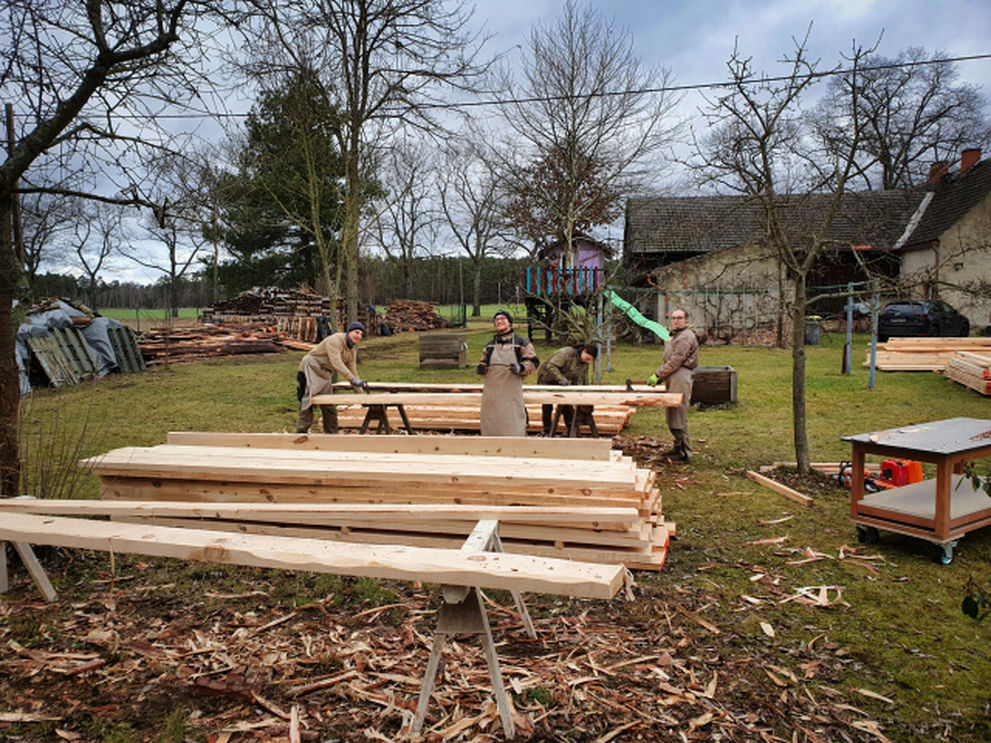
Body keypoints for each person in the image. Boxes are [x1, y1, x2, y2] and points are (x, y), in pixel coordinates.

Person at [295, 321, 366, 434]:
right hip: (311, 367)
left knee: (329, 404)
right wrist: (352, 379)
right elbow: (336, 362)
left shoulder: (352, 351)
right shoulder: (335, 340)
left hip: (324, 372)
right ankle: (300, 433)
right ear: (349, 332)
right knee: (308, 401)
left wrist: (361, 396)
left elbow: (353, 371)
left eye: (361, 334)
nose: (358, 336)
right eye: (356, 332)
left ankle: (332, 435)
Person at [476, 310, 539, 436]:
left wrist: (520, 368)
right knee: (490, 422)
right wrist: (481, 368)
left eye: (502, 318)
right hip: (492, 393)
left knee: (513, 422)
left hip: (511, 392)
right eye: (496, 319)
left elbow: (533, 362)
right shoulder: (490, 346)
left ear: (509, 322)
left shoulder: (521, 343)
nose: (499, 321)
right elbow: (483, 362)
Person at [647, 309, 698, 461]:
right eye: (674, 318)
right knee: (672, 413)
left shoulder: (686, 337)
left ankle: (685, 452)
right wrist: (663, 376)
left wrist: (658, 375)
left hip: (680, 375)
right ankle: (678, 448)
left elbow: (676, 360)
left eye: (680, 318)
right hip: (673, 374)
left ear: (686, 320)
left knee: (678, 413)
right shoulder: (676, 335)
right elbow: (670, 360)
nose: (676, 321)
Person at [536, 343, 598, 436]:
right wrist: (562, 379)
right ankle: (547, 430)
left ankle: (571, 429)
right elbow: (551, 366)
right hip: (547, 378)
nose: (588, 361)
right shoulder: (566, 353)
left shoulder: (583, 363)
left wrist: (578, 391)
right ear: (584, 352)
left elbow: (579, 378)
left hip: (563, 383)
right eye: (588, 358)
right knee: (547, 406)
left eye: (590, 361)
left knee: (567, 405)